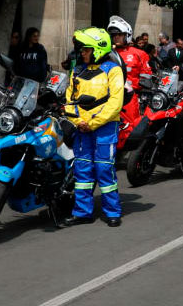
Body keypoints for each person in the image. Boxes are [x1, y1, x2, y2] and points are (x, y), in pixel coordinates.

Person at [63, 27, 125, 227]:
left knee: (104, 169)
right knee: (82, 170)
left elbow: (116, 103)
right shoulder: (77, 71)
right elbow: (69, 100)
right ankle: (82, 212)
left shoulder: (113, 70)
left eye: (86, 49)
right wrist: (77, 121)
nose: (82, 53)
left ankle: (112, 212)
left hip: (104, 127)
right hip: (81, 128)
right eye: (81, 49)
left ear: (98, 48)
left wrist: (93, 123)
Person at [107, 16, 152, 150]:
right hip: (108, 96)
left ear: (127, 35)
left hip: (130, 98)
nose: (116, 37)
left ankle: (124, 152)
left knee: (129, 126)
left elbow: (146, 78)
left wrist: (141, 90)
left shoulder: (139, 54)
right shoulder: (107, 53)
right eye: (114, 35)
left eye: (119, 35)